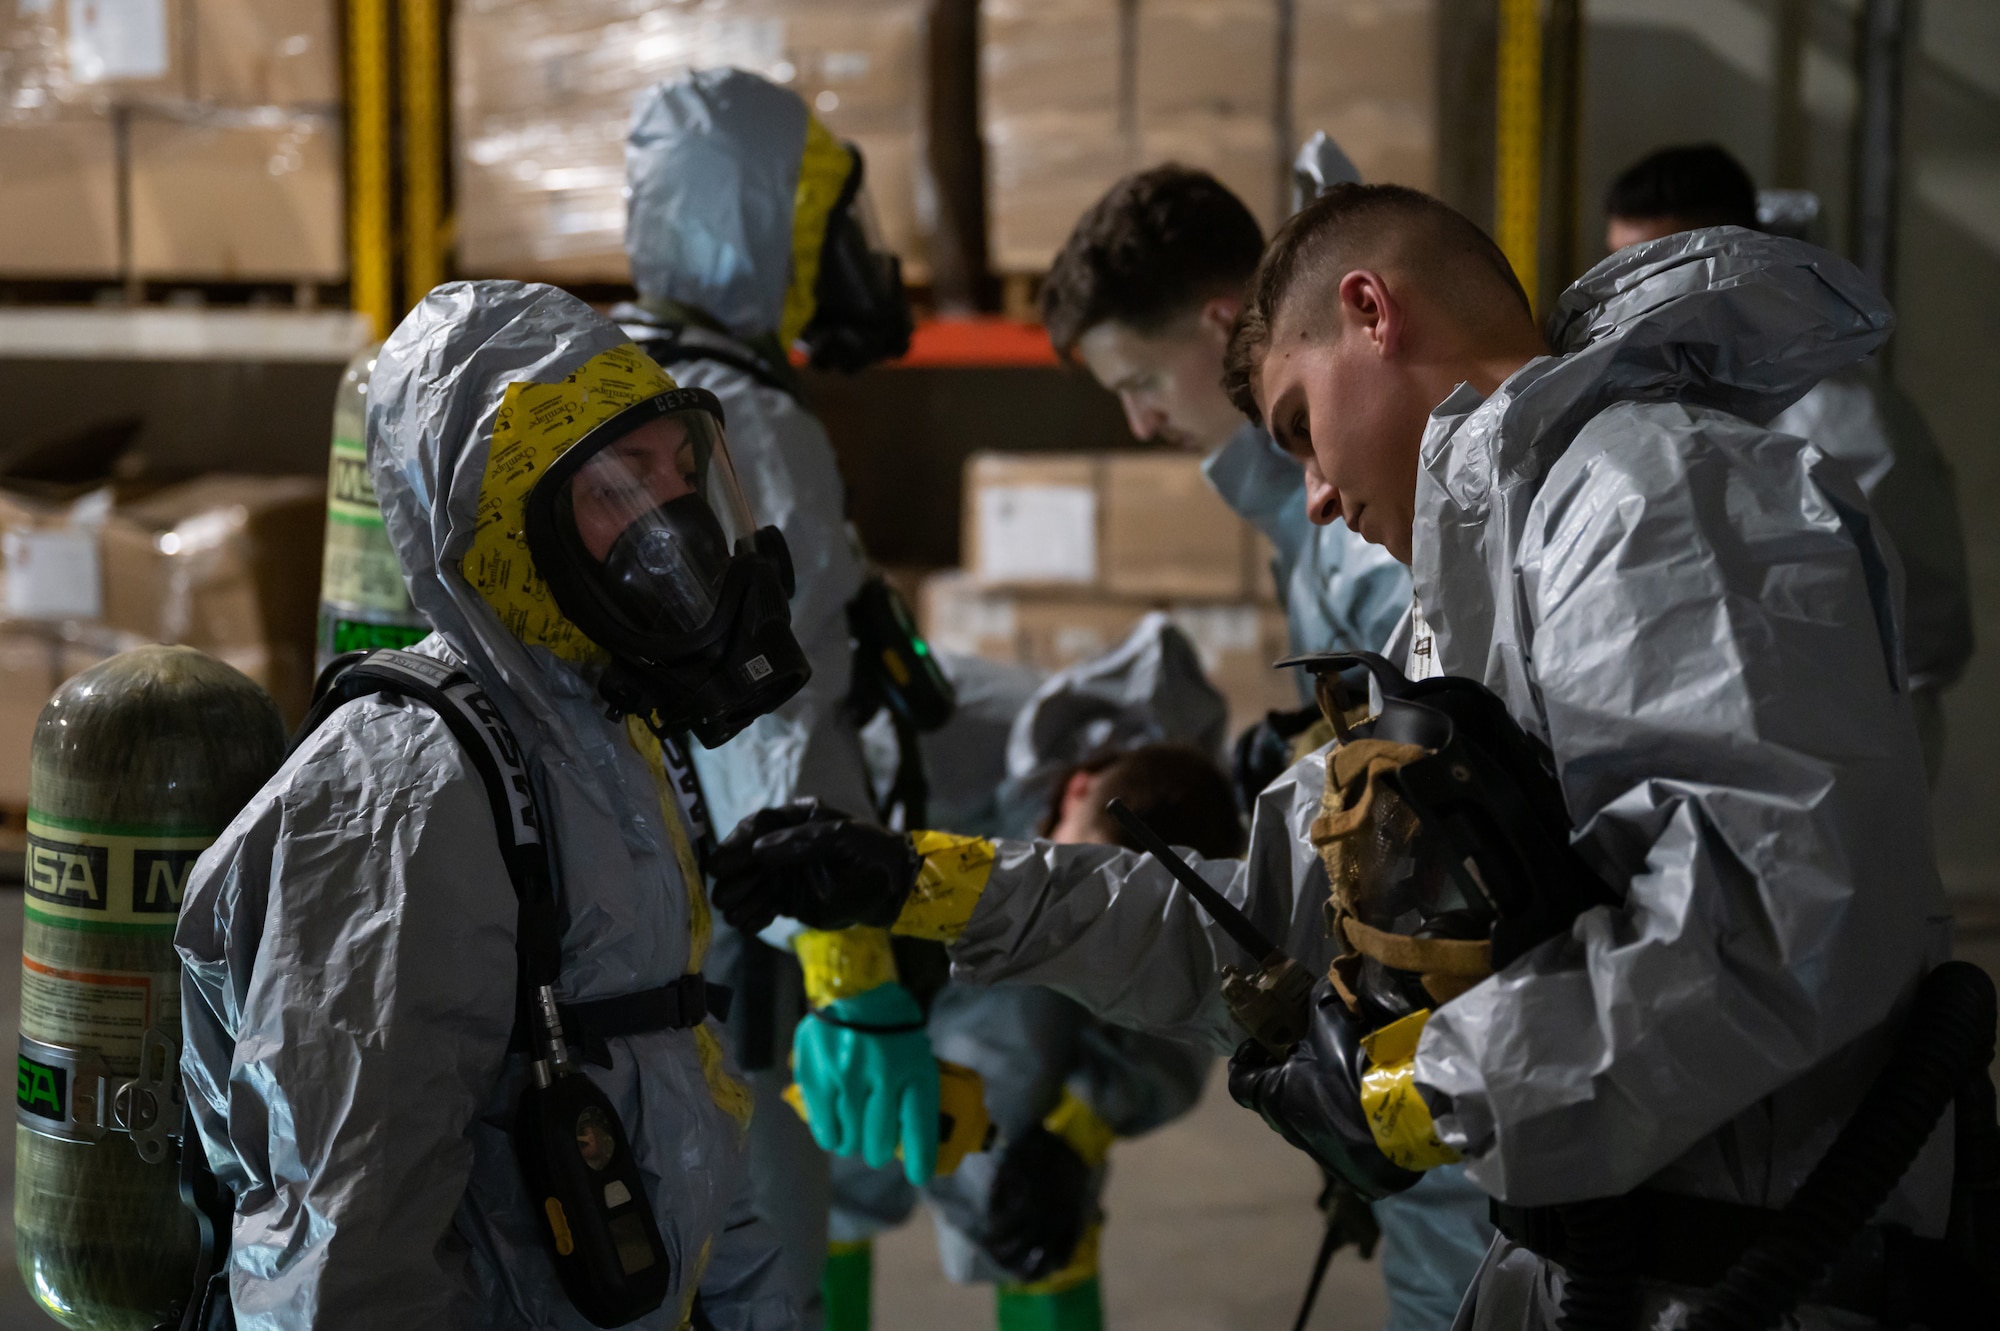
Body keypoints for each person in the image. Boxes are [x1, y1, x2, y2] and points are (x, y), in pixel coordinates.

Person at [712, 186, 1952, 1331]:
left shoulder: (1658, 495)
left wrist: (1415, 1090)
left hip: (1770, 1282)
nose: (1306, 494)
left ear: (1369, 311)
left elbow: (1767, 921)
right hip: (1601, 1272)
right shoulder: (1470, 597)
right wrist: (927, 886)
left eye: (1301, 426)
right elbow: (1258, 909)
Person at [176, 282, 800, 1327]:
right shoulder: (403, 796)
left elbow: (674, 1093)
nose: (676, 526)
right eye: (621, 486)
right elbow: (341, 1254)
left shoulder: (609, 739)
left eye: (683, 476)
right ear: (505, 519)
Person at [1041, 163, 1490, 1330]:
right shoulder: (1312, 509)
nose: (1139, 420)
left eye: (1140, 381)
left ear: (1213, 329)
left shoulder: (1358, 518)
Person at [617, 67, 928, 1326]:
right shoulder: (741, 420)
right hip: (746, 950)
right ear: (755, 227)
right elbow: (777, 703)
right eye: (818, 225)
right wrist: (853, 964)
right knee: (763, 1280)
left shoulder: (604, 394)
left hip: (610, 935)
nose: (845, 262)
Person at [824, 617, 1225, 1331]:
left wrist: (1077, 1131)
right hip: (845, 941)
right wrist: (849, 992)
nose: (1077, 926)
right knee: (820, 1155)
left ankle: (1040, 1265)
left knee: (1024, 1181)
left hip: (986, 983)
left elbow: (1187, 995)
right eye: (1078, 887)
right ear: (1074, 788)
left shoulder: (1199, 824)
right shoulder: (925, 740)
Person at [1604, 143, 1972, 780]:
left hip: (1831, 764)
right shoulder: (1636, 400)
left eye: (1661, 277)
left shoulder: (1845, 424)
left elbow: (1920, 637)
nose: (1636, 306)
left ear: (1731, 262)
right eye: (1620, 275)